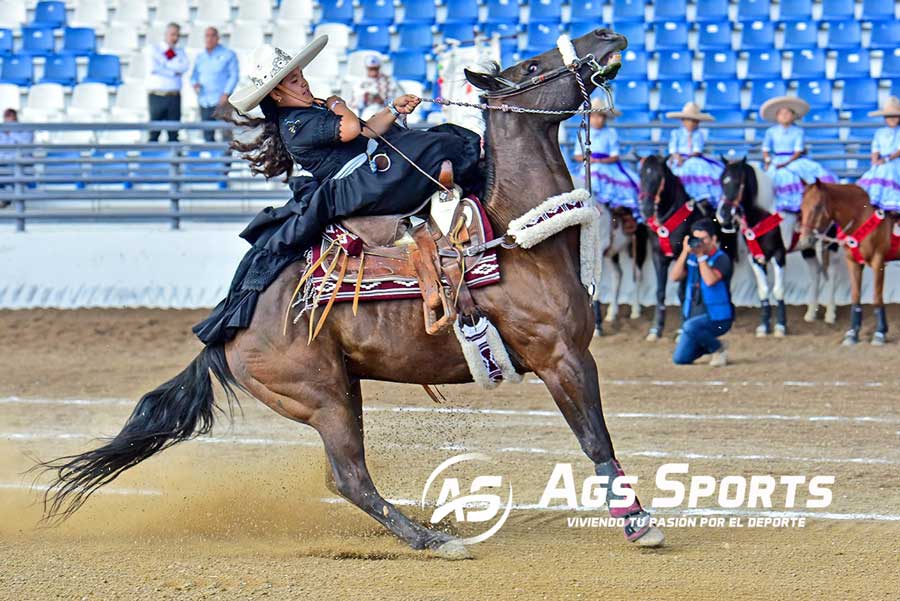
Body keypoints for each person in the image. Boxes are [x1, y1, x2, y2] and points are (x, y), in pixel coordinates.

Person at [192, 37, 482, 345]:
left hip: (368, 168)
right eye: (294, 80)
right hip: (362, 185)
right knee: (432, 147)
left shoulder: (310, 109)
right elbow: (351, 129)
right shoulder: (295, 125)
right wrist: (336, 103)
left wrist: (392, 110)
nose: (303, 83)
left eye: (301, 76)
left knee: (435, 138)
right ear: (276, 93)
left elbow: (367, 129)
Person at [669, 219, 734, 366]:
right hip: (694, 315)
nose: (700, 243)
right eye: (696, 238)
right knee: (680, 358)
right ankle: (711, 343)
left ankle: (718, 348)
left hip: (717, 317)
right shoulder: (691, 256)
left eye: (703, 239)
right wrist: (685, 252)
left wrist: (701, 257)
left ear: (713, 239)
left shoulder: (722, 258)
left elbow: (710, 280)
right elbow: (674, 277)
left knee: (690, 327)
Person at [759, 95, 836, 214]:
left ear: (793, 116)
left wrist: (786, 163)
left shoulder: (798, 131)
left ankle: (799, 204)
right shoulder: (771, 132)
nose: (784, 116)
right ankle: (778, 205)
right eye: (781, 113)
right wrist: (768, 161)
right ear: (777, 116)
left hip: (793, 160)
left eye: (788, 113)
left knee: (795, 174)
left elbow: (798, 150)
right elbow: (766, 148)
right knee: (771, 178)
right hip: (777, 160)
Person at [573, 98, 640, 219]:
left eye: (601, 116)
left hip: (607, 166)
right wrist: (588, 159)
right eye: (594, 116)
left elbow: (615, 156)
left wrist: (600, 161)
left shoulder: (611, 133)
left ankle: (614, 207)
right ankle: (591, 203)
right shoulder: (583, 133)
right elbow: (577, 155)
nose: (598, 120)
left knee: (601, 172)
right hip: (589, 164)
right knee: (588, 176)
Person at [665, 102, 723, 207]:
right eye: (689, 120)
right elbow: (673, 148)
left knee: (700, 168)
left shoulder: (699, 134)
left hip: (693, 158)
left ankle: (701, 196)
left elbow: (697, 150)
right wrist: (677, 157)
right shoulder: (676, 133)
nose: (692, 123)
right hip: (678, 159)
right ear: (683, 121)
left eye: (695, 121)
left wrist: (688, 158)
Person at [191, 27, 239, 142]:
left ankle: (226, 160)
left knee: (226, 134)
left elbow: (234, 76)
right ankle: (210, 159)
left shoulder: (228, 54)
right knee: (207, 134)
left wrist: (226, 93)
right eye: (207, 36)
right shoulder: (200, 57)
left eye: (212, 35)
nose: (209, 38)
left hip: (222, 101)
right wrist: (195, 84)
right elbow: (194, 75)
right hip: (205, 100)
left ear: (218, 38)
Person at [147, 22, 190, 142]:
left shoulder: (180, 51)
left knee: (174, 133)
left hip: (174, 97)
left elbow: (184, 67)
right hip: (157, 96)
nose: (175, 38)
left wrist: (164, 65)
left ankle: (173, 161)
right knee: (154, 133)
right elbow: (154, 68)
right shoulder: (154, 49)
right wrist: (173, 71)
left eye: (177, 35)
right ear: (166, 34)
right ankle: (151, 160)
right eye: (172, 34)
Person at [857, 96, 900, 214]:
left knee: (888, 170)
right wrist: (875, 160)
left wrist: (886, 159)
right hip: (882, 163)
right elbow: (875, 149)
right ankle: (875, 203)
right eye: (889, 116)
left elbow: (898, 151)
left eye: (894, 116)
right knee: (876, 172)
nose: (892, 119)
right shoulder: (880, 133)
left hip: (895, 162)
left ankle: (893, 204)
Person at [350, 54, 403, 119]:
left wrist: (383, 101)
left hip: (386, 112)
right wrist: (366, 99)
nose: (373, 71)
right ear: (367, 68)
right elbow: (354, 104)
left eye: (375, 69)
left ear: (379, 67)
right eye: (371, 69)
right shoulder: (360, 83)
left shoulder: (390, 81)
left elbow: (399, 100)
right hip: (367, 112)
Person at [0, 108, 33, 207]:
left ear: (16, 118)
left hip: (19, 162)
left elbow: (26, 146)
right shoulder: (1, 131)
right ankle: (5, 197)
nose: (7, 119)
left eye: (10, 116)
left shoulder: (26, 130)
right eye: (6, 116)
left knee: (14, 165)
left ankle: (10, 198)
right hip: (4, 162)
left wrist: (11, 133)